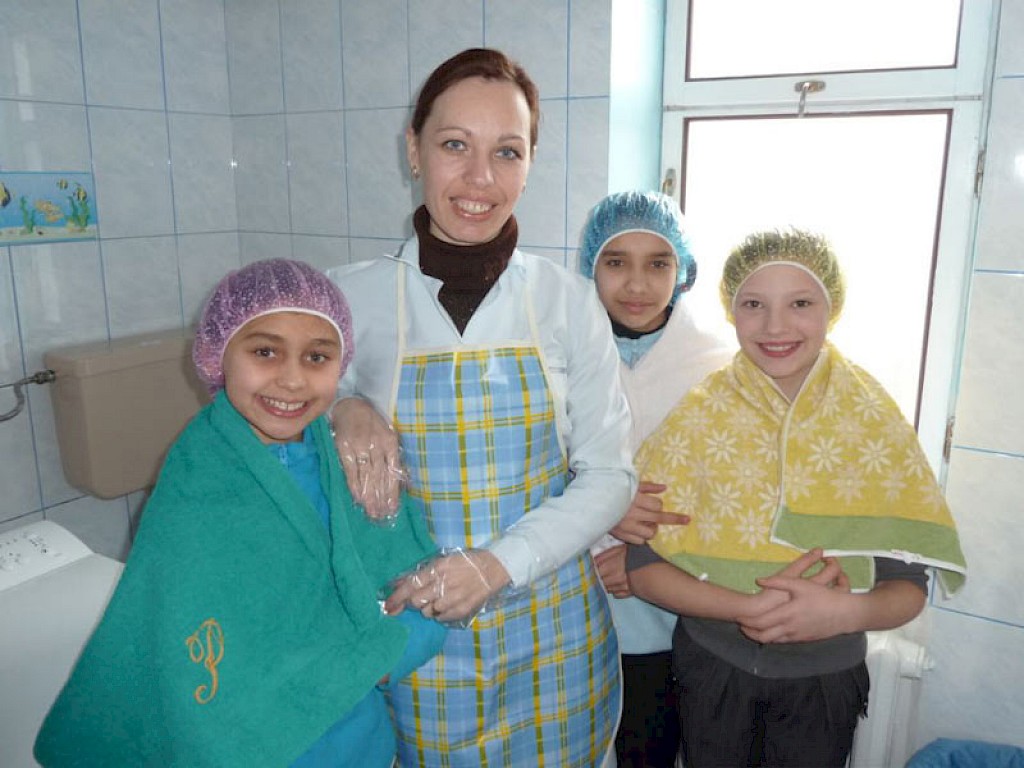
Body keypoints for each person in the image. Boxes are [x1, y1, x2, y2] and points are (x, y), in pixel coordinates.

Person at [326, 48, 635, 767]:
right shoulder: (346, 299)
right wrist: (339, 405)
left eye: (507, 152)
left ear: (530, 164)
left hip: (555, 631)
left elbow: (610, 475)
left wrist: (497, 564)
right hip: (418, 634)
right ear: (413, 149)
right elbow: (268, 408)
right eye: (454, 145)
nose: (480, 179)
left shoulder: (566, 301)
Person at [34, 258, 446, 768]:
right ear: (218, 355)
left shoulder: (353, 461)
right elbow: (171, 634)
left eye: (317, 357)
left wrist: (385, 659)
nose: (292, 380)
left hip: (358, 740)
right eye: (265, 351)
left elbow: (421, 582)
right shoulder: (198, 483)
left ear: (341, 365)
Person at [627, 229, 967, 768]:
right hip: (709, 669)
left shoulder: (871, 423)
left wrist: (843, 612)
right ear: (731, 310)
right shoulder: (699, 415)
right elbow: (643, 568)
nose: (775, 326)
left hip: (825, 681)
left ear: (832, 309)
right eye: (753, 305)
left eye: (800, 303)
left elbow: (907, 589)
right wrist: (744, 607)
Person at [578, 190, 735, 767]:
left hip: (673, 615)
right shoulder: (563, 352)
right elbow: (535, 467)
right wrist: (604, 513)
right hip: (573, 597)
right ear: (590, 267)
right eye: (616, 262)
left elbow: (731, 494)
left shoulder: (718, 365)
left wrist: (650, 562)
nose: (637, 285)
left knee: (649, 749)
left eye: (658, 264)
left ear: (684, 270)